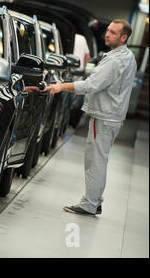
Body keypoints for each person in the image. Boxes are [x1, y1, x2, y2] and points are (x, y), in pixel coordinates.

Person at [44, 19, 137, 216]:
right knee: (99, 159)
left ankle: (90, 203)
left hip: (104, 117)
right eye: (108, 31)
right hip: (111, 117)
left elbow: (90, 85)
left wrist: (61, 86)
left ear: (124, 37)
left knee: (95, 161)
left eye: (113, 32)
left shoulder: (114, 60)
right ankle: (96, 201)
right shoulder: (126, 56)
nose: (107, 34)